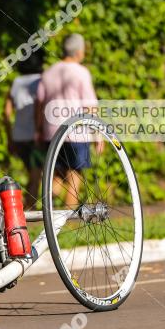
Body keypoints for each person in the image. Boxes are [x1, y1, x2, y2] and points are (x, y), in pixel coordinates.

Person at [34, 33, 98, 208]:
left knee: (57, 175)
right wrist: (97, 133)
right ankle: (66, 221)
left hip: (51, 132)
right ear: (79, 51)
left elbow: (40, 104)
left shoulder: (48, 72)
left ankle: (45, 213)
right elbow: (90, 105)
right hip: (75, 133)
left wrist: (38, 130)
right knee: (74, 177)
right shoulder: (81, 72)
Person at [4, 53, 44, 208]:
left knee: (32, 173)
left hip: (18, 136)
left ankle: (24, 207)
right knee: (36, 176)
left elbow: (6, 113)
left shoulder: (16, 82)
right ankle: (26, 211)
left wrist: (9, 137)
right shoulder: (41, 81)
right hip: (35, 136)